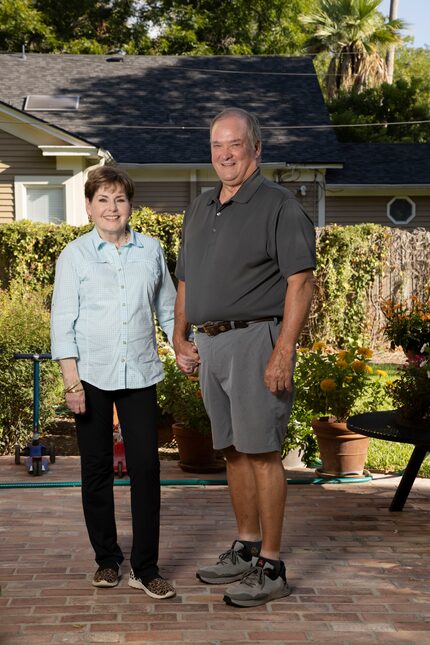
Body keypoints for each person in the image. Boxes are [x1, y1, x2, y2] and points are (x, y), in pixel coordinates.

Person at [173, 108, 315, 608]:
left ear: (256, 148)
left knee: (261, 452)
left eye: (235, 144)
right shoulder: (200, 206)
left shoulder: (277, 205)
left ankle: (272, 565)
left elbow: (302, 281)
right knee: (232, 450)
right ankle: (246, 545)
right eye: (216, 146)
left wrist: (283, 350)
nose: (225, 154)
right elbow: (186, 279)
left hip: (257, 341)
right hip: (210, 344)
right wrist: (179, 334)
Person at [51, 166, 176, 599]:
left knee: (146, 467)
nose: (111, 208)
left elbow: (169, 311)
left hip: (140, 371)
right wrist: (72, 383)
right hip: (91, 375)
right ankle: (107, 560)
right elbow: (62, 322)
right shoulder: (75, 256)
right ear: (88, 207)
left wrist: (186, 348)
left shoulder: (152, 251)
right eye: (102, 200)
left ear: (130, 205)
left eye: (119, 199)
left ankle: (145, 567)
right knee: (97, 469)